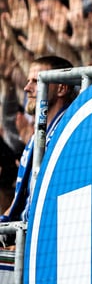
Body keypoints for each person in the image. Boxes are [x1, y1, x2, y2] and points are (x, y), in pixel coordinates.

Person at [1, 55, 76, 222]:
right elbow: (18, 202)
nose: (27, 88)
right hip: (23, 233)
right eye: (29, 81)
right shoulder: (38, 136)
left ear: (61, 89)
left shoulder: (69, 132)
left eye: (37, 81)